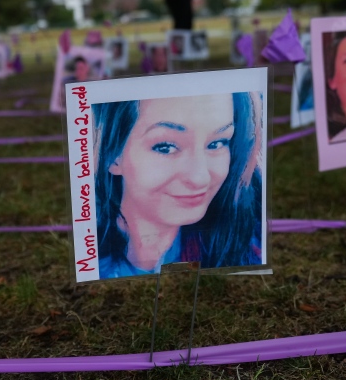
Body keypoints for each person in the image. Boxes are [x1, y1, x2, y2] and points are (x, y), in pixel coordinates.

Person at [95, 92, 264, 278]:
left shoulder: (252, 243)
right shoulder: (87, 250)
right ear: (112, 156)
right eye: (166, 147)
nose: (200, 178)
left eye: (216, 144)